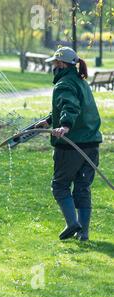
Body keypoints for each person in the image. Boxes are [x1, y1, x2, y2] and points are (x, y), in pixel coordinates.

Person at [36, 47, 103, 241]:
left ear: (61, 64)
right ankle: (83, 233)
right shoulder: (80, 81)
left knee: (60, 186)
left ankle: (73, 223)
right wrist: (50, 120)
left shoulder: (63, 83)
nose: (52, 67)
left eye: (54, 63)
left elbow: (70, 106)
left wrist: (64, 126)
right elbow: (73, 106)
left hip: (72, 145)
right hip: (92, 143)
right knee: (82, 187)